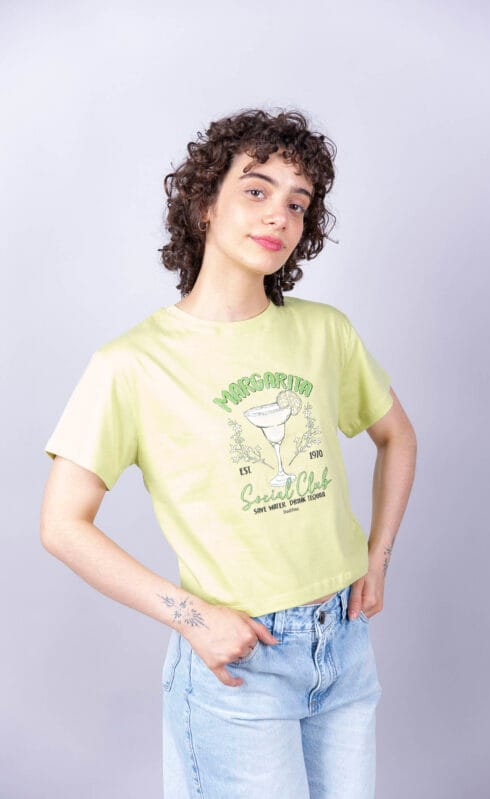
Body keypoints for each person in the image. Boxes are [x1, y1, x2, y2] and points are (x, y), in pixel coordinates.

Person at [40, 107, 417, 798]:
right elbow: (62, 525)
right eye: (256, 189)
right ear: (204, 205)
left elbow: (397, 435)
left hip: (342, 644)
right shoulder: (132, 364)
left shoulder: (324, 332)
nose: (279, 214)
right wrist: (193, 617)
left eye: (297, 202)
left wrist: (377, 559)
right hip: (240, 662)